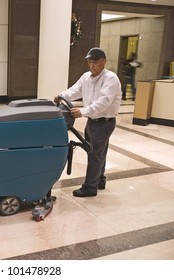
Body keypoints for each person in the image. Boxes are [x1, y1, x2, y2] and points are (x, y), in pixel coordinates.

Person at [54, 47, 122, 197]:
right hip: (93, 121)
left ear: (104, 61)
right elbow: (75, 90)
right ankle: (100, 180)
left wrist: (82, 112)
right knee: (99, 151)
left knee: (94, 154)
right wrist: (61, 95)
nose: (92, 65)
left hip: (105, 122)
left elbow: (103, 102)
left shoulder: (110, 78)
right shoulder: (86, 77)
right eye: (90, 62)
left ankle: (90, 188)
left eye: (95, 62)